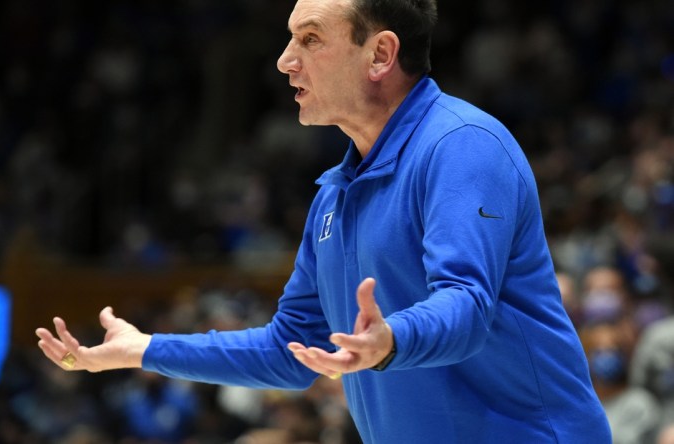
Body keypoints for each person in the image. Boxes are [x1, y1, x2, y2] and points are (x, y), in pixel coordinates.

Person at [37, 0, 612, 442]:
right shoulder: (334, 195)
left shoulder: (462, 146)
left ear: (381, 55)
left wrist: (390, 340)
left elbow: (466, 307)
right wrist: (145, 349)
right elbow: (289, 350)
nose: (285, 60)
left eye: (309, 39)